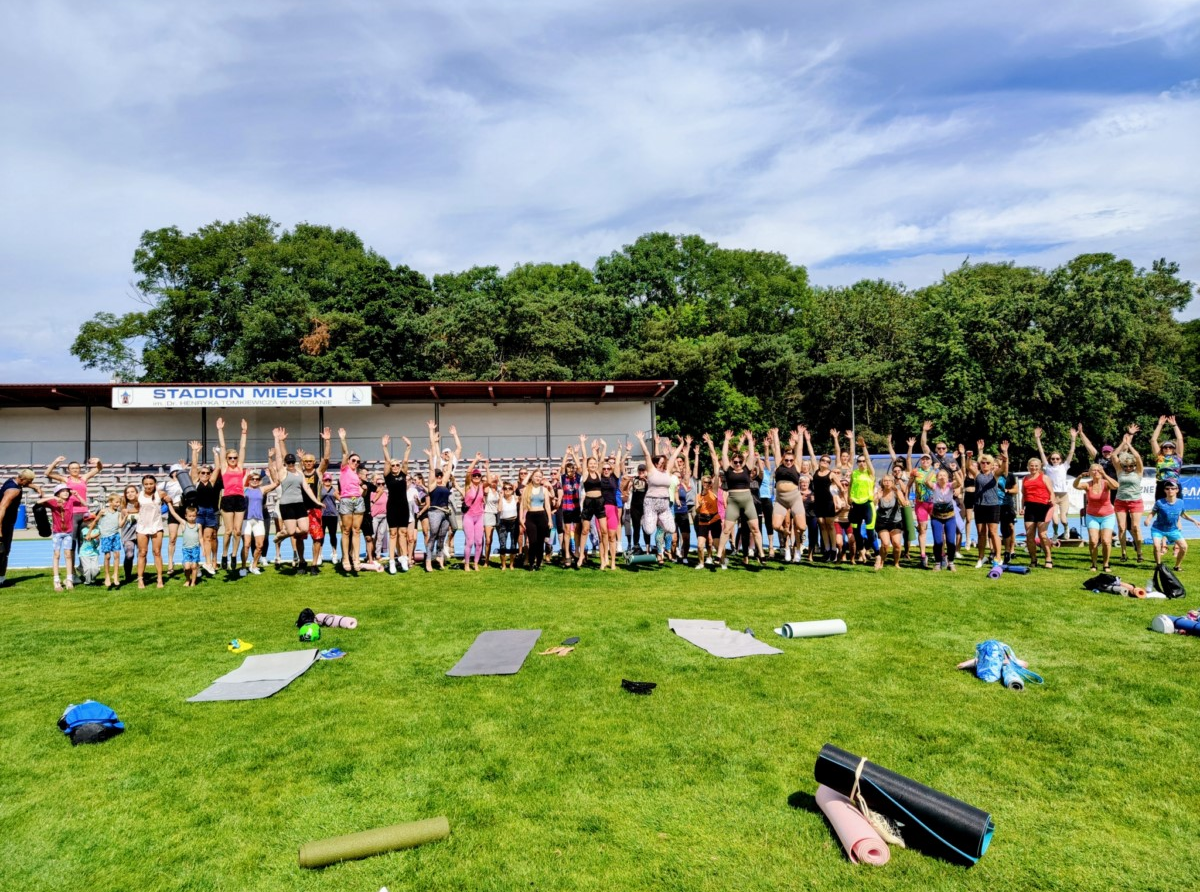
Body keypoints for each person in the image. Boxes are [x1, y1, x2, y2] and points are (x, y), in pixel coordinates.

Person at [708, 430, 762, 569]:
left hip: (747, 501)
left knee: (755, 529)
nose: (738, 464)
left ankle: (761, 554)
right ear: (732, 462)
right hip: (733, 502)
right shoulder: (727, 469)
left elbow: (751, 454)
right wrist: (726, 440)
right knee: (726, 529)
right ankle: (719, 555)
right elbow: (724, 455)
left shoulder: (747, 468)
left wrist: (750, 440)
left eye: (740, 462)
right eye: (735, 462)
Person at [272, 429, 321, 574]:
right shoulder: (285, 471)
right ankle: (300, 558)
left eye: (293, 461)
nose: (291, 463)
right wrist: (280, 441)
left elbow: (307, 489)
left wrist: (317, 502)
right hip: (288, 505)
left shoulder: (300, 472)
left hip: (303, 505)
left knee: (305, 530)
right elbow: (282, 457)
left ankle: (283, 533)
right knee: (294, 533)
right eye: (290, 462)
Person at [44, 454, 103, 568]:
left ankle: (83, 567)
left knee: (85, 541)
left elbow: (99, 468)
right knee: (72, 542)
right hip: (72, 514)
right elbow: (47, 473)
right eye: (72, 468)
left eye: (77, 468)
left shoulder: (84, 478)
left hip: (84, 513)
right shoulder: (66, 480)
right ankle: (72, 571)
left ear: (79, 469)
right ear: (69, 470)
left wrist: (98, 461)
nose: (75, 470)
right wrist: (55, 462)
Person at [214, 417, 249, 570]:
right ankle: (224, 553)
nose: (233, 459)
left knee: (238, 531)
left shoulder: (240, 467)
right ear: (227, 459)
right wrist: (220, 429)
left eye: (235, 457)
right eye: (231, 458)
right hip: (227, 499)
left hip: (240, 499)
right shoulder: (224, 467)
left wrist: (244, 431)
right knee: (228, 531)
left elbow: (242, 448)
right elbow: (222, 446)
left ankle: (234, 555)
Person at [1034, 426, 1078, 541]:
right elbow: (1041, 452)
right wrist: (1037, 439)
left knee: (1063, 519)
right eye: (1053, 459)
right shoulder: (1047, 467)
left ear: (1061, 460)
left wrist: (1073, 439)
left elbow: (1071, 452)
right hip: (1052, 496)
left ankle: (1067, 528)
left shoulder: (1064, 466)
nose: (1055, 460)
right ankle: (1055, 533)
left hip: (1063, 496)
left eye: (1057, 459)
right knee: (1055, 520)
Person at [40, 483, 85, 591]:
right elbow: (38, 502)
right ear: (58, 493)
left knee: (68, 555)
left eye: (67, 490)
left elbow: (85, 504)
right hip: (57, 533)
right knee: (56, 555)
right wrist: (53, 497)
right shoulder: (53, 502)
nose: (66, 492)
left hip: (68, 532)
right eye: (63, 491)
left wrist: (77, 495)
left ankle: (69, 580)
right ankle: (56, 581)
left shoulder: (71, 501)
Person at [1074, 463, 1119, 572]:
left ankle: (1106, 564)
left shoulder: (1106, 483)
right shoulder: (1087, 485)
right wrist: (1079, 477)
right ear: (1090, 472)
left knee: (1106, 541)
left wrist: (1105, 475)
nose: (1096, 472)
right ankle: (1093, 564)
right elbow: (1075, 486)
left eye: (1098, 470)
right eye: (1093, 470)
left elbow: (1116, 486)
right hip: (1092, 516)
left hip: (1107, 516)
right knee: (1093, 541)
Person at [1112, 425, 1146, 563]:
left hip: (1135, 501)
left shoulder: (1138, 472)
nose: (1128, 468)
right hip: (1120, 501)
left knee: (1135, 527)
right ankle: (1123, 553)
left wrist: (1129, 445)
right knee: (1121, 527)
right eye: (1125, 466)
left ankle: (1139, 552)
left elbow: (1137, 457)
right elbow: (1114, 455)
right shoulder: (1120, 471)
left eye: (1130, 466)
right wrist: (1123, 443)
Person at [0, 470, 41, 588]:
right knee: (3, 553)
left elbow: (23, 483)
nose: (30, 483)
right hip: (4, 524)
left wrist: (35, 486)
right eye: (29, 481)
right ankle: (1, 581)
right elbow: (2, 507)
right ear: (22, 480)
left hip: (6, 523)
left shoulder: (12, 481)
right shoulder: (14, 491)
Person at [1145, 480, 1197, 571]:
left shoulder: (1180, 502)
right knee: (1157, 546)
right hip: (1158, 529)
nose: (1170, 490)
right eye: (1167, 488)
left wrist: (1194, 521)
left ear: (1177, 490)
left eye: (1173, 488)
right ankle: (1159, 566)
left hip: (1173, 529)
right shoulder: (1159, 502)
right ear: (1164, 490)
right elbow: (1152, 513)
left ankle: (1177, 566)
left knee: (1184, 547)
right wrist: (1148, 519)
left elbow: (1183, 514)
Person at [973, 440, 1008, 568]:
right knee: (981, 533)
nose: (985, 464)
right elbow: (967, 466)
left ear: (992, 464)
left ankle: (998, 556)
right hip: (979, 506)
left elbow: (1004, 469)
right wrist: (971, 456)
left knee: (993, 532)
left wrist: (1005, 459)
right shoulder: (977, 474)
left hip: (993, 506)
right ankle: (980, 558)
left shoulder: (995, 475)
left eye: (988, 462)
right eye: (983, 463)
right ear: (980, 464)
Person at [381, 435, 413, 573]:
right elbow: (387, 461)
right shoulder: (388, 476)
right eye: (393, 465)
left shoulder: (403, 474)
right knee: (393, 533)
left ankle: (404, 558)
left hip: (403, 507)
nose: (395, 467)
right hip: (392, 507)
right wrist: (384, 447)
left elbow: (405, 461)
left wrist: (408, 447)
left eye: (397, 465)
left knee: (403, 532)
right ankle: (392, 560)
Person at [188, 442, 221, 575]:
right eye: (203, 472)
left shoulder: (212, 482)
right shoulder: (196, 481)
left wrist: (216, 454)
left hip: (210, 512)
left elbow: (218, 468)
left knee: (208, 538)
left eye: (207, 473)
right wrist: (195, 452)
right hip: (199, 511)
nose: (205, 474)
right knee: (197, 538)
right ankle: (196, 565)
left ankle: (207, 563)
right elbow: (194, 466)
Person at [337, 428, 367, 573]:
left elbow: (361, 490)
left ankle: (356, 558)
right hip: (346, 500)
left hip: (358, 500)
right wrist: (343, 439)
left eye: (358, 461)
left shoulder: (357, 475)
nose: (356, 462)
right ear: (348, 461)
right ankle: (346, 558)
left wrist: (364, 489)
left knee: (356, 530)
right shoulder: (344, 469)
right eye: (353, 460)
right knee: (346, 530)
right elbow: (344, 453)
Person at [1021, 451, 1054, 568]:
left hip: (1043, 507)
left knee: (1042, 534)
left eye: (1036, 466)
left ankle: (1048, 558)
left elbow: (1051, 493)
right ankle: (1033, 559)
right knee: (1029, 535)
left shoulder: (1044, 477)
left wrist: (1052, 503)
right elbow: (1023, 495)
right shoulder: (1025, 479)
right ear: (1028, 467)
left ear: (1040, 467)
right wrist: (1022, 507)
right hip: (1030, 507)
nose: (1033, 468)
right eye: (1031, 465)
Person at [847, 435, 875, 564]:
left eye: (864, 461)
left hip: (867, 504)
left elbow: (868, 459)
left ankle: (869, 549)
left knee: (870, 532)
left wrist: (864, 447)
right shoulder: (855, 473)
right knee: (856, 532)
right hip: (855, 505)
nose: (862, 463)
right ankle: (862, 552)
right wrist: (849, 497)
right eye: (860, 461)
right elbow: (851, 486)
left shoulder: (870, 473)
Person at [89, 492, 126, 590]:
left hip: (115, 536)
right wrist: (89, 533)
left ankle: (116, 575)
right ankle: (107, 576)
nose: (118, 504)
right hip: (105, 537)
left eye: (119, 502)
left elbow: (120, 525)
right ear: (110, 502)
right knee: (108, 556)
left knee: (117, 555)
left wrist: (125, 517)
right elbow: (95, 521)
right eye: (117, 502)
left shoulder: (118, 514)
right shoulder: (103, 511)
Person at [135, 474, 166, 589]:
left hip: (157, 526)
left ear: (155, 484)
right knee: (142, 553)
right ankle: (140, 579)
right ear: (143, 485)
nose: (149, 486)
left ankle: (159, 578)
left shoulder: (160, 494)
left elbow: (171, 503)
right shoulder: (139, 496)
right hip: (142, 527)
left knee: (157, 552)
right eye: (146, 484)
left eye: (151, 484)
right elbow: (134, 507)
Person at [519, 468, 554, 570]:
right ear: (532, 477)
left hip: (542, 516)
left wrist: (550, 520)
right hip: (530, 516)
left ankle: (538, 562)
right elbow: (522, 505)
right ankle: (531, 562)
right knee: (532, 541)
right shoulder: (526, 489)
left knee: (540, 542)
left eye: (540, 476)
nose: (538, 478)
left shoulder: (544, 490)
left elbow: (547, 506)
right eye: (536, 476)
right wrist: (521, 518)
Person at [873, 472, 908, 569]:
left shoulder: (897, 492)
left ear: (893, 482)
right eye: (885, 481)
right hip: (882, 523)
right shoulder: (879, 492)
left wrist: (898, 494)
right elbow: (873, 503)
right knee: (885, 543)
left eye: (889, 481)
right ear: (882, 482)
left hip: (896, 522)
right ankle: (881, 562)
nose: (887, 483)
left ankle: (896, 563)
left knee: (897, 544)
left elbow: (904, 504)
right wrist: (877, 497)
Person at [166, 502, 203, 587]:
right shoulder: (184, 524)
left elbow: (200, 538)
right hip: (186, 549)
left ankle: (193, 582)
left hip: (195, 549)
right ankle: (187, 579)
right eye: (190, 516)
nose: (192, 518)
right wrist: (169, 504)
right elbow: (174, 514)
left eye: (194, 516)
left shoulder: (198, 526)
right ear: (186, 516)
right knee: (187, 567)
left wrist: (203, 549)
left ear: (196, 516)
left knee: (194, 567)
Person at [461, 455, 487, 571]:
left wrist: (487, 468)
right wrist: (475, 460)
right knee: (470, 542)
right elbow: (468, 472)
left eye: (478, 475)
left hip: (479, 516)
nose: (476, 477)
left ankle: (476, 563)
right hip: (469, 516)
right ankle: (466, 563)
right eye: (474, 475)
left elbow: (490, 481)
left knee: (479, 542)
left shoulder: (481, 486)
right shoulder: (468, 486)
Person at [1150, 414, 1185, 502]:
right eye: (1165, 447)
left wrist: (1174, 425)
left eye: (1170, 447)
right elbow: (1153, 440)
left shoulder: (1178, 457)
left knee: (1176, 510)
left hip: (1174, 485)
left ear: (1174, 449)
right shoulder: (1159, 456)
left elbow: (1180, 439)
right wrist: (1160, 425)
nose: (1168, 449)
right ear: (1162, 449)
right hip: (1161, 485)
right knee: (1161, 510)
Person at [496, 479, 520, 570]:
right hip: (503, 523)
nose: (507, 490)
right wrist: (501, 497)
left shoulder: (516, 498)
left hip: (514, 522)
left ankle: (511, 564)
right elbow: (499, 509)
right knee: (503, 544)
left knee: (513, 544)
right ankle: (503, 565)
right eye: (505, 488)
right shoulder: (501, 499)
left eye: (510, 488)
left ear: (513, 490)